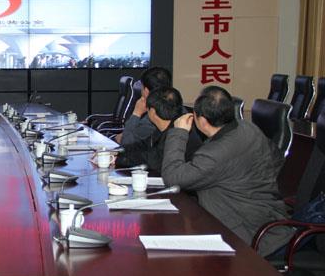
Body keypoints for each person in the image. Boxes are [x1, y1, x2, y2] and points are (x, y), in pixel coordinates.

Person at [161, 86, 293, 257]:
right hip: (265, 217)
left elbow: (172, 177)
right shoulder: (247, 128)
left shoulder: (216, 154)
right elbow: (275, 160)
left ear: (202, 121)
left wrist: (179, 132)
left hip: (248, 235)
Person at [117, 87, 201, 172]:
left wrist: (118, 159)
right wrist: (118, 151)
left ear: (152, 112)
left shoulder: (177, 133)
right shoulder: (167, 127)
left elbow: (153, 161)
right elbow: (143, 145)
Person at [117, 67, 172, 145]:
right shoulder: (177, 107)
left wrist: (136, 113)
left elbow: (126, 142)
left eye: (141, 86)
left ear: (146, 91)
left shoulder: (152, 116)